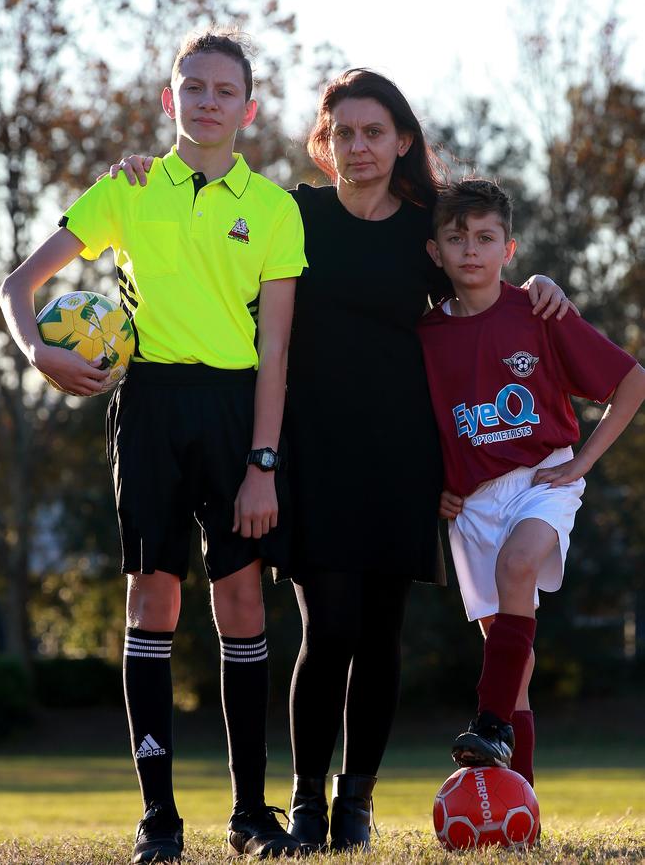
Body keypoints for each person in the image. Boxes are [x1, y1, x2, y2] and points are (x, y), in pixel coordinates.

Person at [108, 69, 571, 853]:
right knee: (328, 631)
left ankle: (356, 802)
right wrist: (143, 175)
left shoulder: (427, 227)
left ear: (401, 142)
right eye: (345, 132)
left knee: (382, 635)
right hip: (309, 453)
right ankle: (307, 803)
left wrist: (535, 284)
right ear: (325, 142)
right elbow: (211, 230)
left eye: (374, 132)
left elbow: (478, 278)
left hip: (403, 454)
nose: (359, 147)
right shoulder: (294, 213)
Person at [0, 28, 307, 864]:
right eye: (192, 87)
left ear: (249, 106)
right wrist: (38, 351)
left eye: (223, 90)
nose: (207, 102)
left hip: (237, 412)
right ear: (169, 99)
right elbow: (16, 284)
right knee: (152, 602)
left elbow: (276, 350)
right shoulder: (125, 191)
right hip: (150, 406)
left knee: (242, 604)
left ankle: (250, 815)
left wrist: (263, 461)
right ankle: (159, 820)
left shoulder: (274, 209)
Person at [418, 178, 645, 789]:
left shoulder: (538, 310)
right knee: (509, 658)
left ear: (509, 249)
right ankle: (521, 796)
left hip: (543, 481)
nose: (471, 250)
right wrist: (432, 484)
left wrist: (583, 463)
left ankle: (489, 723)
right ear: (435, 251)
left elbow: (633, 381)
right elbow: (421, 428)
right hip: (472, 505)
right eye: (456, 238)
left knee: (519, 566)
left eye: (486, 238)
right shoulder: (426, 335)